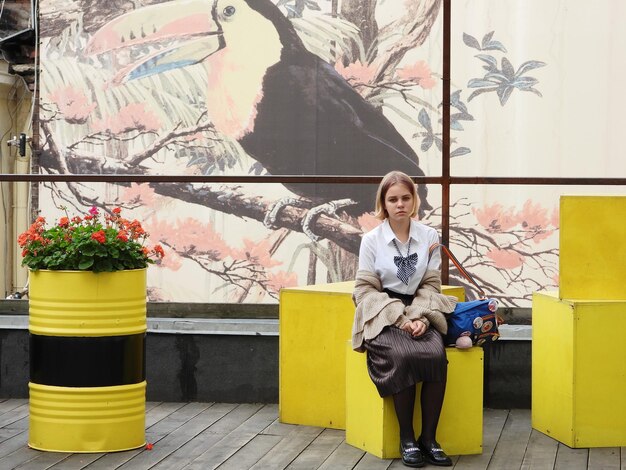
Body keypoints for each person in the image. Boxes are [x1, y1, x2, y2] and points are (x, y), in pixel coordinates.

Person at [352, 170, 457, 468]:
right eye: (393, 199)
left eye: (405, 198)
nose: (400, 204)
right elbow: (364, 290)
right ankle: (407, 438)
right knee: (402, 354)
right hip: (382, 309)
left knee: (435, 353)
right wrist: (400, 319)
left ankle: (430, 438)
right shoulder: (372, 240)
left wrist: (421, 316)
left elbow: (431, 284)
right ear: (383, 203)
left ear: (414, 200)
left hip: (420, 307)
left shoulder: (428, 236)